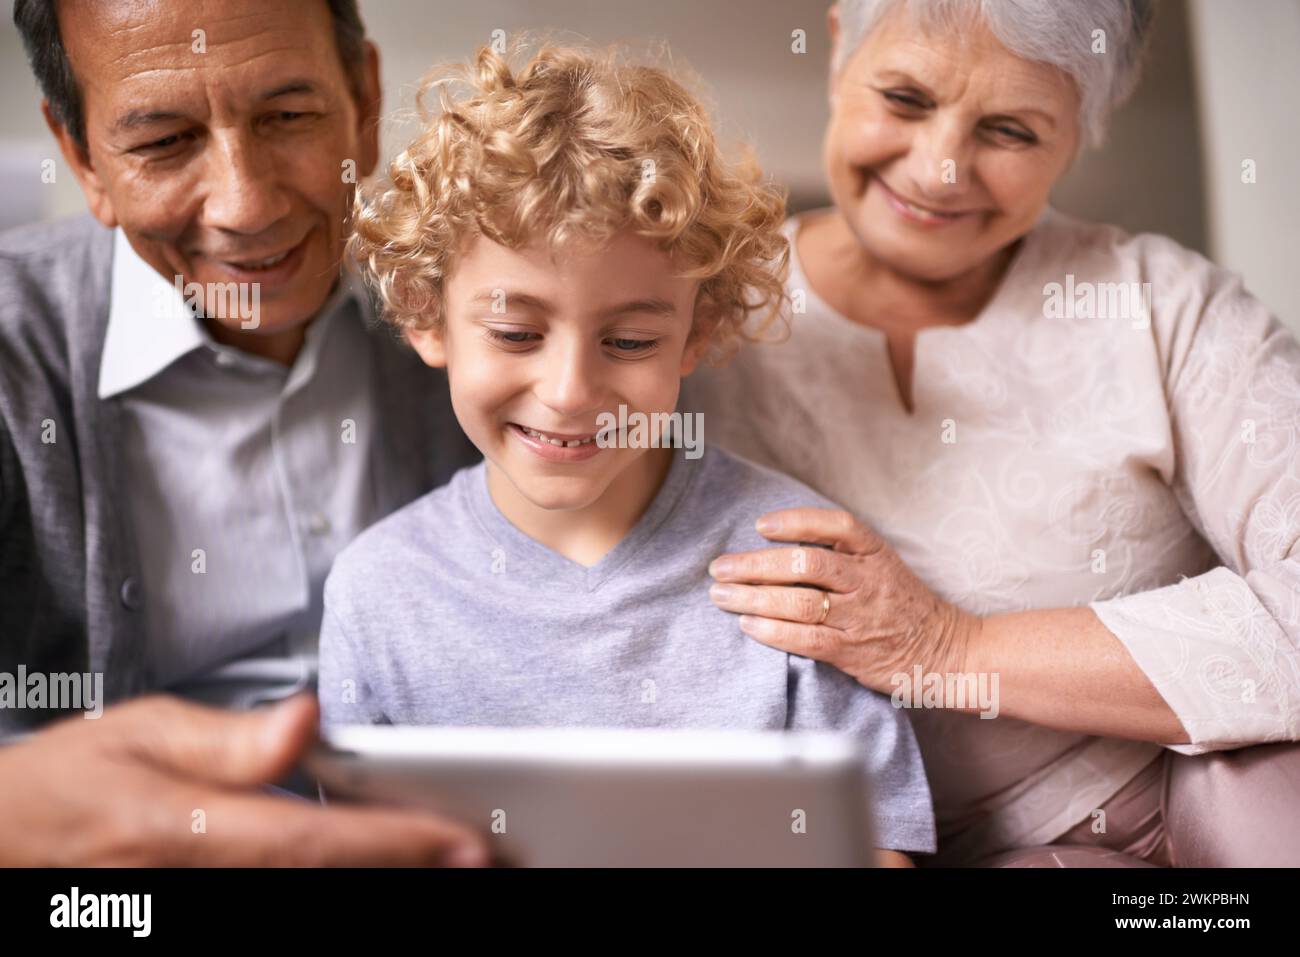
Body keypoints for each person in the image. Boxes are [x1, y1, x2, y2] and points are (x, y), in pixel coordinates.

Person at [684, 0, 1300, 866]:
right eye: (903, 98)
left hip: (1212, 808)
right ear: (836, 52)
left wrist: (949, 646)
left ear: (1084, 129)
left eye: (1009, 129)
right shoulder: (687, 320)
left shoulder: (1168, 307)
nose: (939, 170)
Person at [317, 42, 937, 866]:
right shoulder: (378, 592)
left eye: (630, 339)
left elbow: (884, 845)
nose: (571, 389)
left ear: (699, 331)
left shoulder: (795, 563)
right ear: (428, 316)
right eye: (515, 333)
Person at [0, 0, 484, 866]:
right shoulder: (12, 358)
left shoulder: (496, 312)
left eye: (288, 117)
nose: (247, 204)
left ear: (365, 103)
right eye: (162, 142)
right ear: (82, 159)